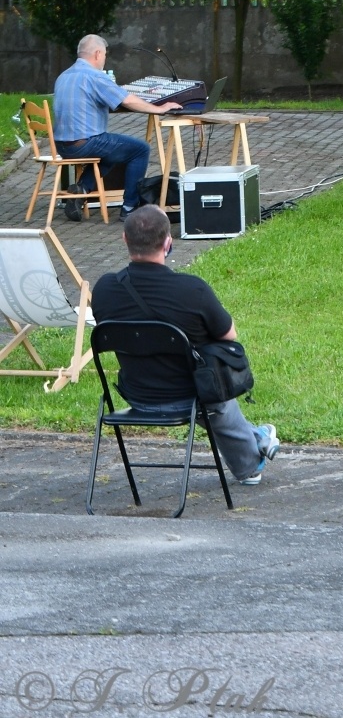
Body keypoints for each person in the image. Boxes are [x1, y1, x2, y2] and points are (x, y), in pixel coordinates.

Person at [90, 205, 279, 486]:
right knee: (214, 373)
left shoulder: (104, 289)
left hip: (136, 395)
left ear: (125, 240)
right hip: (194, 396)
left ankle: (258, 438)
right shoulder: (192, 290)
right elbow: (230, 335)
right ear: (168, 243)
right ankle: (252, 457)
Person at [53, 34, 184, 221]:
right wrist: (159, 109)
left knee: (115, 149)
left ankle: (81, 190)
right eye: (105, 55)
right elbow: (128, 100)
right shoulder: (94, 76)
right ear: (97, 54)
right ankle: (130, 207)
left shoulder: (63, 76)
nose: (104, 59)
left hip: (61, 146)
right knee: (139, 149)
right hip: (84, 144)